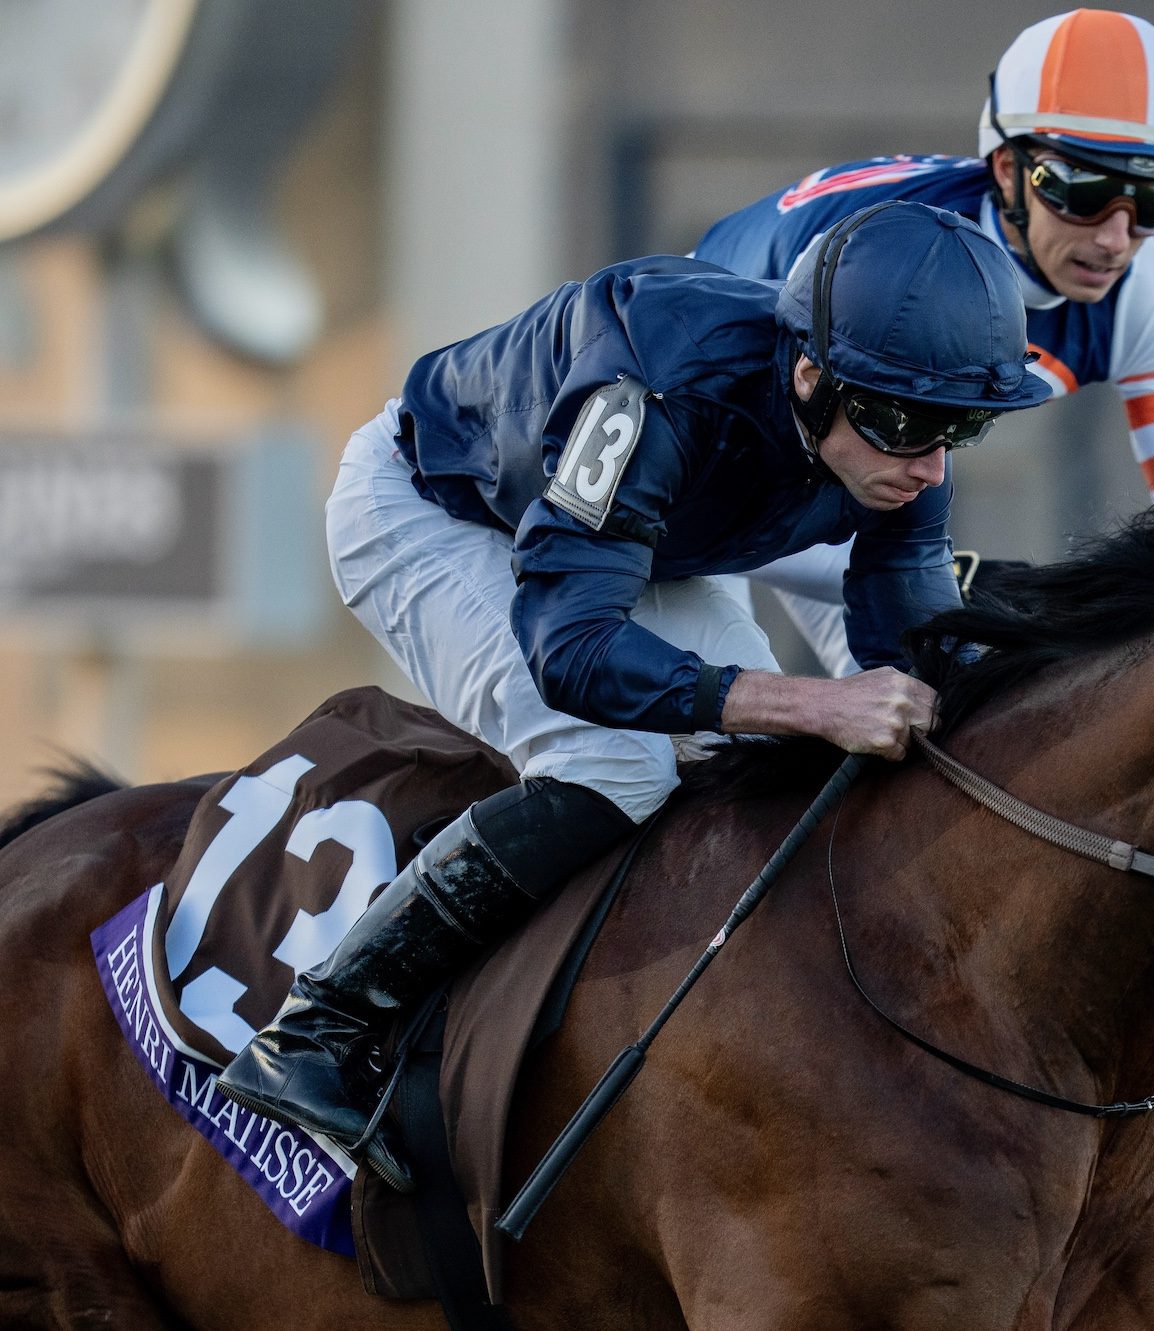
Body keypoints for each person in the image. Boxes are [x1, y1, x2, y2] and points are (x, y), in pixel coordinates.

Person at [215, 200, 1053, 1192]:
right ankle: (321, 1026)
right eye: (910, 424)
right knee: (614, 761)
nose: (931, 461)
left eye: (966, 426)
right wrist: (813, 702)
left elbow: (906, 644)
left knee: (744, 768)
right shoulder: (650, 386)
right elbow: (573, 649)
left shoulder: (904, 433)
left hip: (640, 536)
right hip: (437, 511)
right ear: (807, 375)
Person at [696, 8, 1154, 674]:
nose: (1116, 238)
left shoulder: (1153, 298)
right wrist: (970, 578)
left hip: (840, 463)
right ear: (1006, 169)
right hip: (713, 440)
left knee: (930, 726)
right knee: (706, 733)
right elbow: (738, 519)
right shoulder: (885, 267)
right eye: (1082, 190)